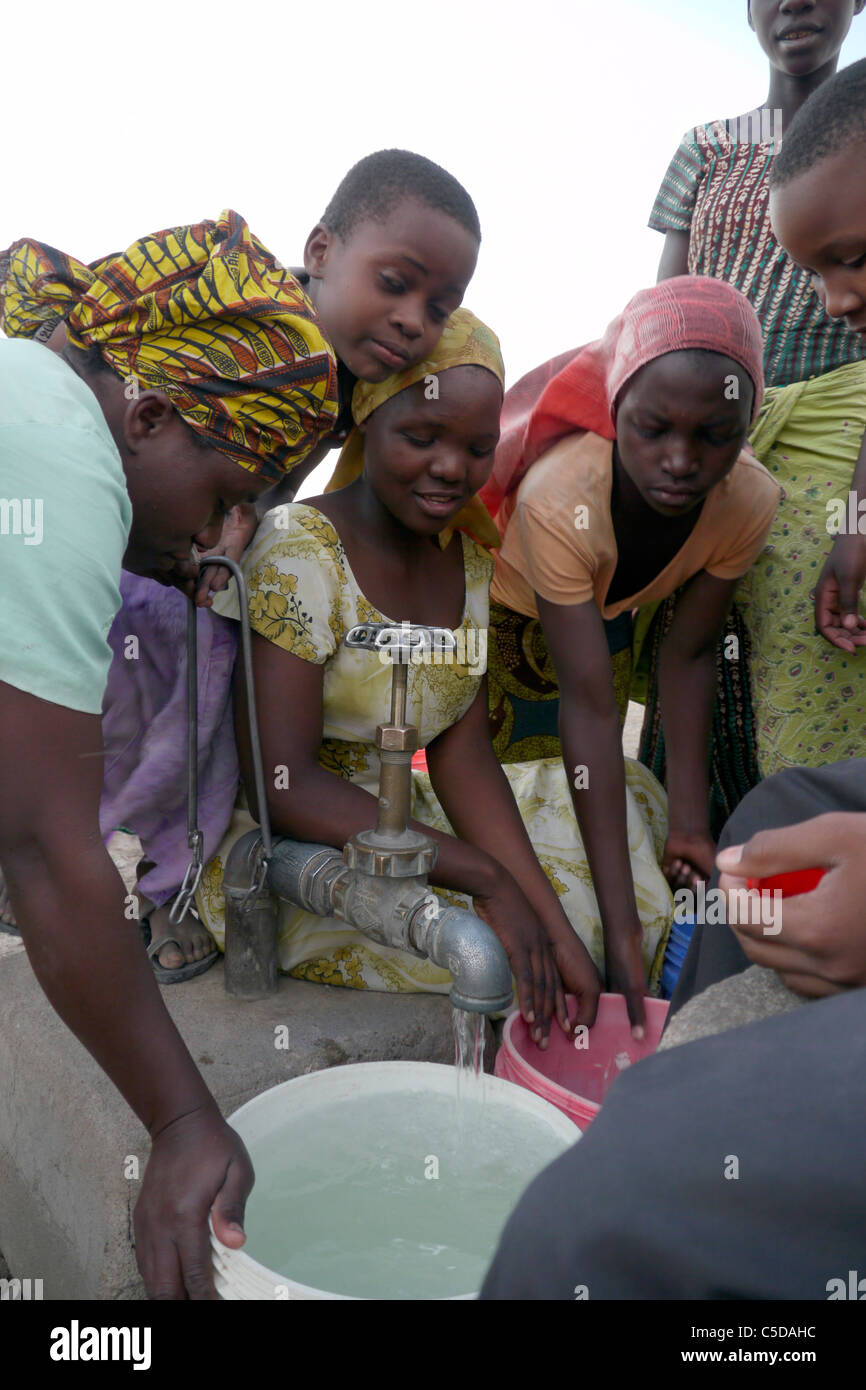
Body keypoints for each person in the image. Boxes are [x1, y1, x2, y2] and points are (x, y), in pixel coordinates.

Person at [0, 200, 473, 1299]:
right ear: (151, 414)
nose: (219, 541)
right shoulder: (63, 459)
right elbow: (38, 844)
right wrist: (181, 1118)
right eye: (222, 500)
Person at [0, 150, 488, 989]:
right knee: (134, 689)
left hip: (197, 558)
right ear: (323, 250)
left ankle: (162, 871)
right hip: (128, 554)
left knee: (213, 694)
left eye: (439, 307)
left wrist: (227, 545)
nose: (414, 321)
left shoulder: (351, 397)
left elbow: (274, 504)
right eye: (396, 284)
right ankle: (82, 866)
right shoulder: (242, 325)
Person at [195, 309, 603, 1046]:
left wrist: (548, 919)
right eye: (422, 438)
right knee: (489, 961)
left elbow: (464, 758)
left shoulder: (470, 563)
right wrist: (485, 879)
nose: (452, 467)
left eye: (479, 448)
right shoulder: (299, 551)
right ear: (366, 425)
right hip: (297, 853)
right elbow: (278, 782)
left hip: (404, 823)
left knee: (596, 888)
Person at [479, 277, 780, 1033]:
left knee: (596, 817)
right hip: (504, 623)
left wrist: (687, 823)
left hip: (599, 616)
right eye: (654, 430)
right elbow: (591, 707)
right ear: (615, 411)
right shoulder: (560, 498)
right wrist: (621, 934)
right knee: (518, 821)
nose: (680, 461)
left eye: (716, 435)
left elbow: (688, 653)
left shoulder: (749, 502)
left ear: (750, 422)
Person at [642, 0, 866, 825]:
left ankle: (812, 873)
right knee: (691, 647)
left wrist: (857, 516)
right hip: (709, 429)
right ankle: (689, 863)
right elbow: (664, 313)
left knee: (813, 657)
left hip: (837, 440)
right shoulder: (706, 148)